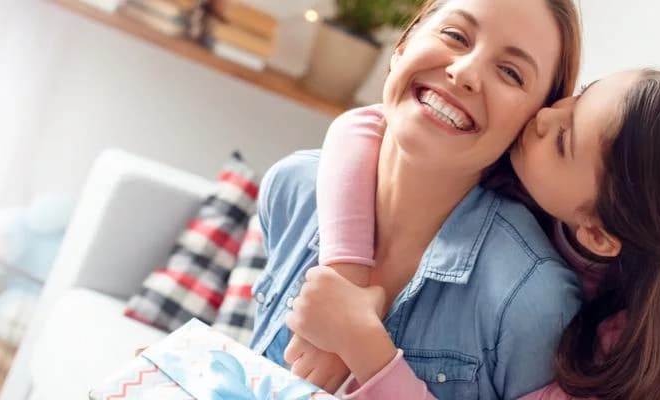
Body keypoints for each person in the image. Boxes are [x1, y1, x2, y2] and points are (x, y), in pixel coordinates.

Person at [288, 68, 660, 400]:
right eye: (579, 97)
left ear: (597, 235)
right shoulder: (536, 171)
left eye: (564, 140)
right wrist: (347, 276)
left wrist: (362, 344)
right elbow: (367, 123)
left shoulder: (619, 360)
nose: (546, 117)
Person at [250, 0, 585, 398]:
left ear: (531, 125)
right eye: (455, 35)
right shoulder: (293, 187)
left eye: (511, 73)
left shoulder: (533, 301)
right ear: (403, 44)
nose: (464, 72)